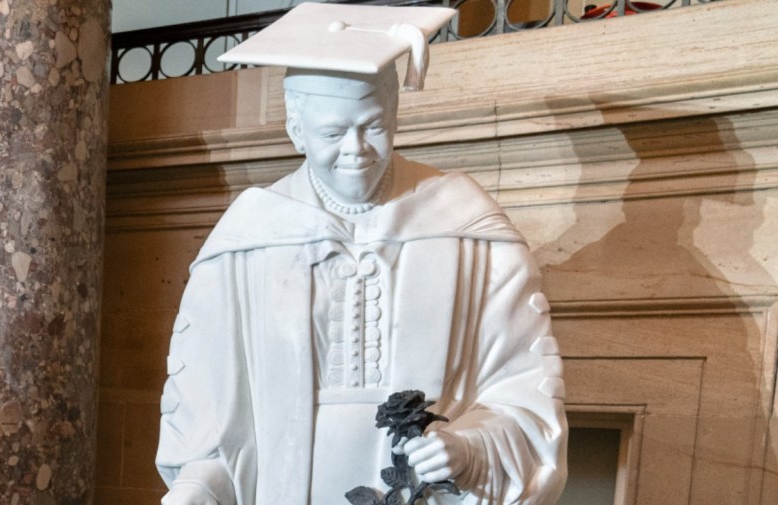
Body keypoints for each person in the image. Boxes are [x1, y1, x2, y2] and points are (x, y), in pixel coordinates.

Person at [155, 4, 567, 505]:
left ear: (394, 113)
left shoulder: (466, 228)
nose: (356, 148)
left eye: (373, 126)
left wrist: (469, 449)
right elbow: (212, 420)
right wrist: (196, 488)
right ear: (295, 129)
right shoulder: (247, 241)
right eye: (332, 132)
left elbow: (523, 391)